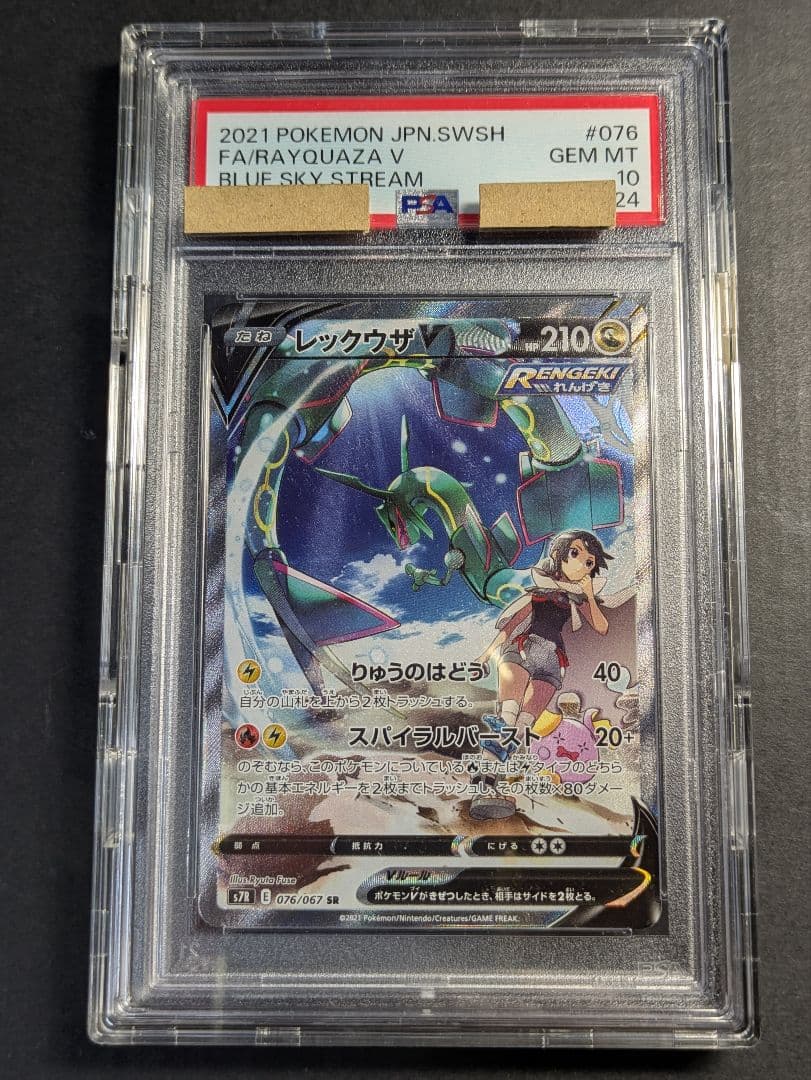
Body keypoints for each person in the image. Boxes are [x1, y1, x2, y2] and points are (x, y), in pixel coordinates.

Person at [476, 529, 614, 760]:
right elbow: (510, 626)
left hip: (552, 660)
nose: (582, 565)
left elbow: (602, 627)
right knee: (509, 713)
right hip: (524, 649)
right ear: (559, 555)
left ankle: (494, 761)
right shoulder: (539, 593)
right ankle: (487, 767)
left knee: (524, 722)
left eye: (589, 562)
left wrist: (589, 596)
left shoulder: (578, 598)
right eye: (575, 553)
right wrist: (486, 655)